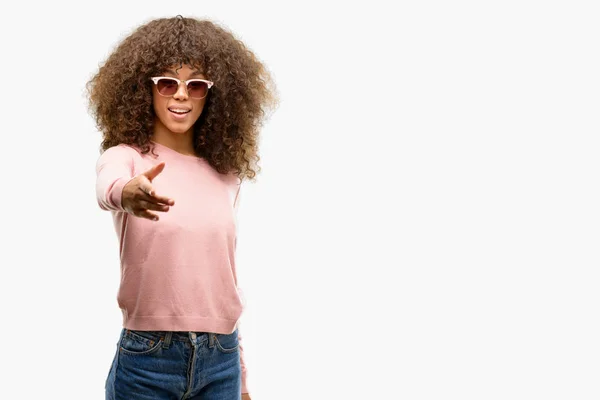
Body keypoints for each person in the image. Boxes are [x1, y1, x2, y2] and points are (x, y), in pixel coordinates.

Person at [87, 15, 279, 399]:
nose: (180, 94)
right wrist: (128, 193)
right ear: (145, 89)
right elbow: (107, 187)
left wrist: (240, 374)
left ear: (213, 95)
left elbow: (223, 279)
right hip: (148, 360)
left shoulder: (225, 175)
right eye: (167, 82)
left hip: (221, 359)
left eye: (195, 85)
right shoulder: (125, 157)